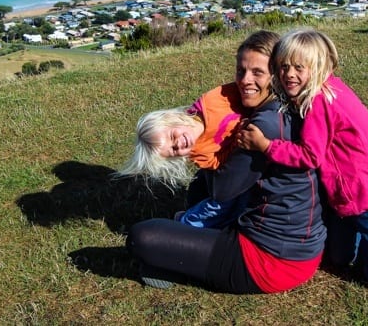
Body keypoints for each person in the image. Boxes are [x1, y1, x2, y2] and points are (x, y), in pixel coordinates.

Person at [126, 31, 327, 294]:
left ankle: (170, 262)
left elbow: (222, 189)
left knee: (142, 237)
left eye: (257, 72)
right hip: (297, 244)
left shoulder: (261, 128)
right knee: (199, 187)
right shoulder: (278, 108)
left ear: (278, 73)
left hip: (269, 261)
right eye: (241, 70)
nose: (245, 81)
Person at [237, 28, 368, 293]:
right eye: (283, 67)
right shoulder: (326, 88)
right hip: (343, 198)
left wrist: (267, 145)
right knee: (339, 259)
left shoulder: (319, 103)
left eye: (298, 67)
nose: (289, 74)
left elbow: (309, 156)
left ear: (317, 67)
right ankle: (365, 236)